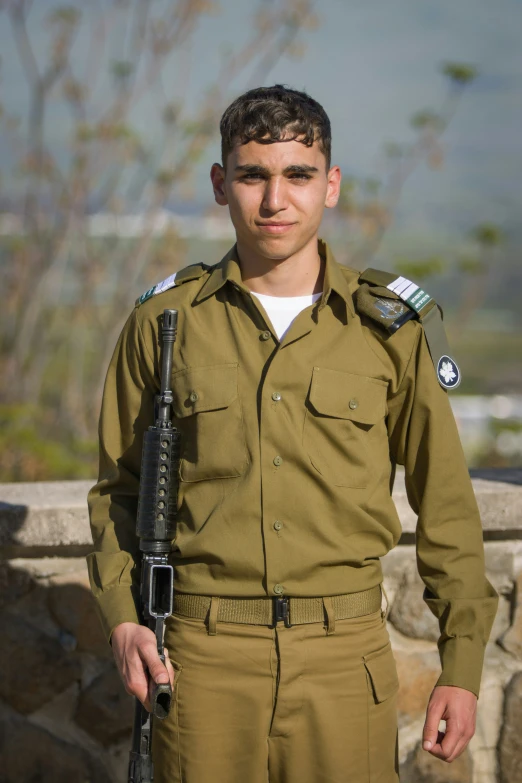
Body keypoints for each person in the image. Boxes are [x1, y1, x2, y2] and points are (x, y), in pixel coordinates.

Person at [87, 84, 499, 782]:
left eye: (298, 175)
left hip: (344, 659)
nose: (275, 199)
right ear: (222, 184)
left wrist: (460, 664)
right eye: (253, 175)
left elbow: (447, 505)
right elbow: (117, 491)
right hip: (204, 659)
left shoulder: (385, 329)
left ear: (330, 185)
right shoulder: (165, 325)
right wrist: (126, 617)